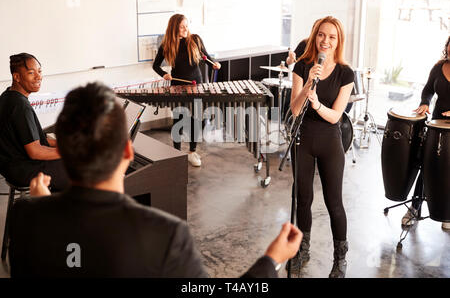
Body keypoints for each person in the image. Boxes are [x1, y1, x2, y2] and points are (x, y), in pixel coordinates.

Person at [8, 82, 302, 277]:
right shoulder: (166, 235)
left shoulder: (25, 215)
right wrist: (272, 259)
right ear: (127, 150)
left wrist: (44, 209)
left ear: (64, 152)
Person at [289, 16, 354, 278]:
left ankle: (340, 259)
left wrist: (316, 104)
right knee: (302, 199)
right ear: (315, 36)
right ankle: (302, 249)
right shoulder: (302, 67)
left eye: (332, 37)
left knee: (334, 202)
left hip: (330, 141)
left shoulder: (345, 73)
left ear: (338, 41)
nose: (325, 41)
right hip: (303, 139)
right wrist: (307, 86)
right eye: (321, 35)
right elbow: (294, 110)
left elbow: (336, 116)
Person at [153, 14, 221, 167]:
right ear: (174, 28)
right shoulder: (167, 44)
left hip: (197, 85)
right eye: (182, 26)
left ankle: (192, 152)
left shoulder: (195, 40)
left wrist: (215, 64)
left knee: (197, 120)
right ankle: (176, 153)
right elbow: (155, 65)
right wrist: (164, 74)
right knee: (178, 120)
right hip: (177, 86)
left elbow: (207, 58)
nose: (185, 29)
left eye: (186, 26)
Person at [0, 53, 69, 191]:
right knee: (83, 166)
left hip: (9, 168)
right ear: (17, 77)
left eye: (39, 71)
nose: (38, 77)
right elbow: (35, 151)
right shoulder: (20, 106)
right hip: (23, 170)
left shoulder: (8, 96)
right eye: (31, 73)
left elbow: (35, 139)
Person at [403, 35, 450, 230]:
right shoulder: (438, 67)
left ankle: (447, 213)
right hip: (436, 126)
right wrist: (424, 103)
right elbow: (428, 90)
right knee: (426, 165)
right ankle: (415, 208)